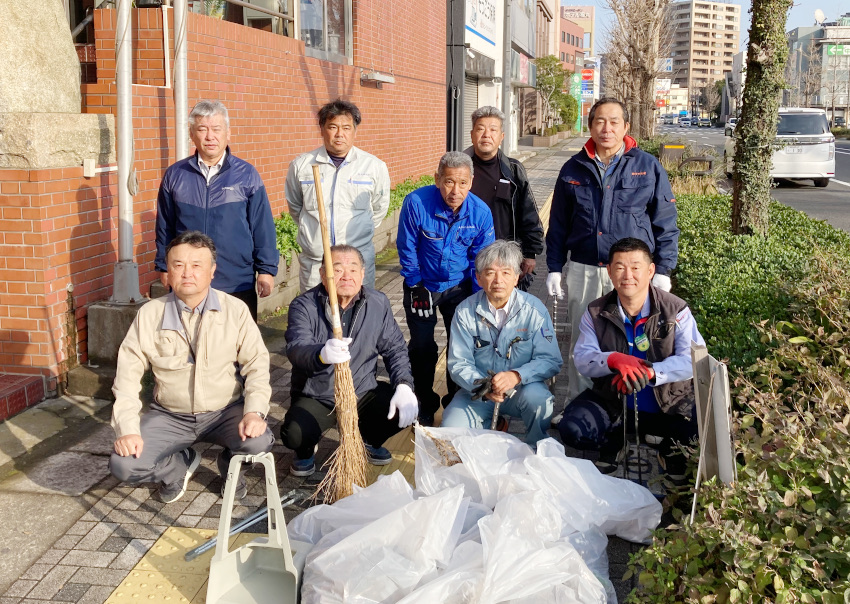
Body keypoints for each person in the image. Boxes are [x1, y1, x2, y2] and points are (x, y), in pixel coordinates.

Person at [110, 231, 275, 503]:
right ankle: (176, 468)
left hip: (225, 411)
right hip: (171, 415)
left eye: (197, 265)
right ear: (168, 272)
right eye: (178, 265)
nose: (188, 273)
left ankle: (231, 468)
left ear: (212, 271)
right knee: (124, 464)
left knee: (258, 442)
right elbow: (126, 380)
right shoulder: (150, 314)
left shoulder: (235, 310)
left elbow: (257, 366)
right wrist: (127, 428)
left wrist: (255, 411)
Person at [545, 97, 679, 402]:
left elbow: (665, 222)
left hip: (632, 273)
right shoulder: (572, 168)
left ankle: (634, 406)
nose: (606, 128)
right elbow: (558, 224)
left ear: (626, 127)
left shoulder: (647, 166)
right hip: (585, 267)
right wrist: (554, 267)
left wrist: (664, 270)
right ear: (590, 126)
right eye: (599, 121)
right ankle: (579, 404)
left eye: (614, 121)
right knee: (582, 341)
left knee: (636, 339)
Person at [557, 238, 705, 481]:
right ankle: (614, 443)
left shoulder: (675, 310)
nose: (628, 275)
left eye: (636, 267)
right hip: (614, 402)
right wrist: (613, 359)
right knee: (573, 429)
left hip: (667, 402)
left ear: (650, 271)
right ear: (609, 272)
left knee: (698, 429)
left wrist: (652, 372)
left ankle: (668, 450)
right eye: (619, 267)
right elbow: (582, 358)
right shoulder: (596, 311)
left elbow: (693, 360)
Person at [281, 245, 417, 476]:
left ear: (363, 274)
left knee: (400, 409)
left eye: (353, 269)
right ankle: (305, 451)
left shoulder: (377, 303)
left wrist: (404, 384)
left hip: (361, 391)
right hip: (319, 394)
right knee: (294, 433)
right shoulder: (304, 305)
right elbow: (296, 348)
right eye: (338, 269)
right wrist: (321, 354)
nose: (346, 276)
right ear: (323, 275)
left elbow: (395, 349)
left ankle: (368, 440)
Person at [155, 100, 279, 322]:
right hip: (188, 279)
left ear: (228, 133)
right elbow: (165, 226)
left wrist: (267, 270)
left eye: (216, 129)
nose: (210, 136)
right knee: (189, 345)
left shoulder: (247, 175)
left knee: (238, 346)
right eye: (202, 129)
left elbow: (263, 227)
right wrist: (164, 266)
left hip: (236, 279)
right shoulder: (175, 175)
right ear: (192, 135)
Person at [397, 151, 495, 426]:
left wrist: (479, 295)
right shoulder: (417, 202)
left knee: (461, 345)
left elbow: (482, 257)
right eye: (449, 182)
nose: (456, 190)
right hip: (422, 285)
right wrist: (414, 284)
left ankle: (456, 399)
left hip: (459, 286)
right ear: (437, 179)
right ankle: (423, 401)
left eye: (463, 183)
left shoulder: (480, 212)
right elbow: (407, 247)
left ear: (471, 182)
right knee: (422, 346)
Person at [442, 241, 562, 445]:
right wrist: (484, 387)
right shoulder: (464, 311)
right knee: (449, 431)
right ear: (478, 278)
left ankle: (537, 447)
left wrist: (517, 375)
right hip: (480, 391)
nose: (498, 280)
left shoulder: (535, 310)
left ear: (516, 278)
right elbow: (458, 363)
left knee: (539, 401)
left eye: (506, 273)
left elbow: (550, 359)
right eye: (490, 272)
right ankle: (491, 424)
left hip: (522, 389)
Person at [285, 99, 391, 292]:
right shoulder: (302, 165)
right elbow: (295, 206)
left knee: (358, 317)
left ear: (355, 130)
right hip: (317, 262)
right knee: (315, 317)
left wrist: (362, 229)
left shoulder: (373, 166)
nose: (339, 134)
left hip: (356, 262)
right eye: (332, 127)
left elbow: (379, 207)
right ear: (322, 129)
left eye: (346, 128)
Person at [464, 106, 543, 290]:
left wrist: (530, 253)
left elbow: (528, 212)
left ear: (502, 136)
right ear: (472, 134)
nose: (486, 134)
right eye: (480, 128)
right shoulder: (460, 168)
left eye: (493, 129)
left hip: (503, 257)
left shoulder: (513, 170)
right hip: (465, 258)